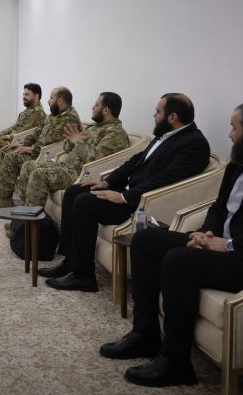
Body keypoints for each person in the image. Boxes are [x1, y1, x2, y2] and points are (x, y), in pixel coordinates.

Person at [100, 99, 243, 388]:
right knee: (145, 241)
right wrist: (205, 234)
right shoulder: (240, 161)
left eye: (234, 128)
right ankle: (145, 335)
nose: (230, 134)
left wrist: (230, 245)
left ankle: (175, 362)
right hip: (219, 244)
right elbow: (219, 207)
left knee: (179, 261)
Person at [42, 93, 210, 292]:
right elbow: (135, 161)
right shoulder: (166, 135)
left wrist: (124, 197)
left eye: (158, 111)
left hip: (140, 204)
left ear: (172, 117)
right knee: (74, 191)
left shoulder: (194, 143)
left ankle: (84, 276)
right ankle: (70, 262)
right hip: (128, 190)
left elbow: (166, 179)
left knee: (84, 203)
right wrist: (107, 182)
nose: (154, 115)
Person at [13, 92, 130, 211]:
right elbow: (67, 148)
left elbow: (96, 159)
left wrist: (78, 142)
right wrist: (71, 141)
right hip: (66, 166)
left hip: (80, 174)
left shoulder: (115, 133)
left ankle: (32, 219)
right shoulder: (95, 127)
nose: (92, 108)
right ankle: (24, 212)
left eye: (96, 105)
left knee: (38, 174)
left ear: (106, 110)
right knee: (28, 166)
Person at [0, 87, 81, 209]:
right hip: (37, 150)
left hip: (46, 155)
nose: (48, 101)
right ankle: (0, 194)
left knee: (12, 157)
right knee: (6, 150)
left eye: (51, 98)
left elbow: (52, 141)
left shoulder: (68, 118)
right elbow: (36, 133)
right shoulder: (54, 115)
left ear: (60, 101)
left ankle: (7, 200)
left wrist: (32, 149)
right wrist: (22, 144)